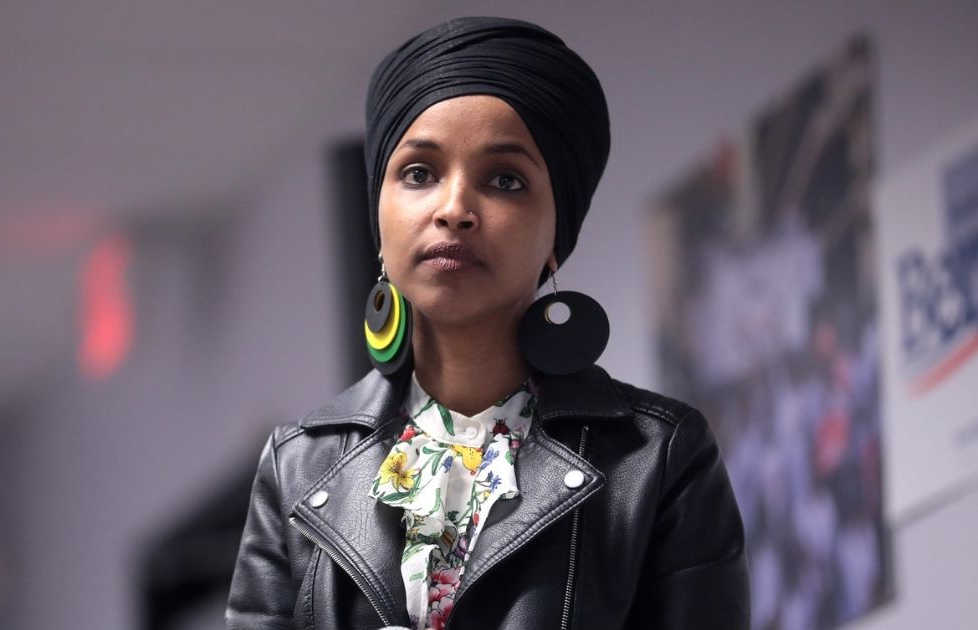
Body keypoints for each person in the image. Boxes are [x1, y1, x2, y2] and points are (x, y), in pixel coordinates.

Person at [226, 16, 749, 630]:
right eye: (419, 173)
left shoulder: (658, 458)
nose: (454, 209)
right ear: (379, 216)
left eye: (505, 180)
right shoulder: (298, 466)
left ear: (558, 233)